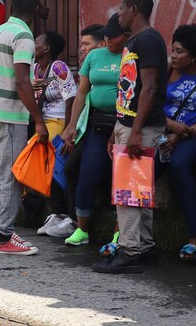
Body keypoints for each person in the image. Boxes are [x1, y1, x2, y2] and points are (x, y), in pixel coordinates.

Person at [93, 0, 167, 274]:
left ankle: (130, 251)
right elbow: (130, 91)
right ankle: (145, 246)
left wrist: (135, 131)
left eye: (122, 8)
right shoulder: (135, 41)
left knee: (127, 192)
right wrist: (118, 129)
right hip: (129, 124)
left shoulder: (148, 40)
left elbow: (149, 88)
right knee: (140, 190)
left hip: (142, 128)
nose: (119, 13)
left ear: (134, 10)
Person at [0, 0, 46, 255]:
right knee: (11, 176)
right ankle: (4, 238)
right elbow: (20, 80)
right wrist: (39, 121)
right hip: (10, 115)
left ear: (11, 8)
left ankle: (3, 231)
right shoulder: (24, 37)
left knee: (4, 174)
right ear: (34, 12)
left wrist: (21, 83)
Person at [62, 14, 126, 247]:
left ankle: (119, 233)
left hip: (123, 123)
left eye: (112, 35)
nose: (108, 39)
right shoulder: (95, 56)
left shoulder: (131, 56)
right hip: (97, 123)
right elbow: (81, 92)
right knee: (88, 173)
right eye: (106, 35)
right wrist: (71, 126)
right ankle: (82, 229)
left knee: (121, 179)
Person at [158, 24, 196, 262]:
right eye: (172, 50)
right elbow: (152, 102)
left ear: (194, 55)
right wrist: (170, 126)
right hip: (163, 131)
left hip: (195, 134)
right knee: (142, 169)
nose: (173, 56)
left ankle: (195, 238)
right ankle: (121, 234)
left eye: (179, 51)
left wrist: (183, 133)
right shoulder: (167, 70)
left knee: (179, 165)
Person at [32, 31, 77, 239]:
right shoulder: (35, 68)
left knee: (48, 158)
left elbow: (71, 99)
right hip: (41, 120)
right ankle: (55, 213)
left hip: (58, 120)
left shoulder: (59, 68)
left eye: (37, 41)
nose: (33, 43)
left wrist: (68, 130)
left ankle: (62, 214)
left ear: (47, 48)